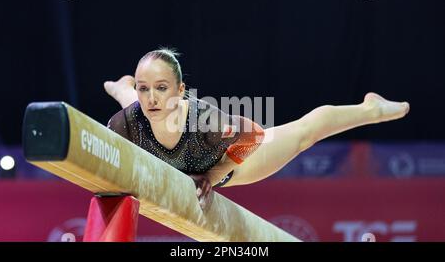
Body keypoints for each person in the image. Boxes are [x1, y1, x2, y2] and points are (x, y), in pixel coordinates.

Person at [105, 48, 410, 210]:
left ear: (182, 89)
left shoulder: (204, 120)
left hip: (235, 164)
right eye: (144, 88)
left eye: (162, 87)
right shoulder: (126, 122)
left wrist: (212, 175)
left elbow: (252, 135)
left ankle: (370, 108)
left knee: (304, 133)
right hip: (185, 157)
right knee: (142, 110)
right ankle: (125, 87)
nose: (152, 96)